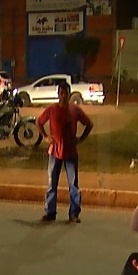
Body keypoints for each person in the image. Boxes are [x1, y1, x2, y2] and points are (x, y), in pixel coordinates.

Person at [35, 81, 94, 223]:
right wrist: (45, 136)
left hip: (70, 153)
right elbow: (39, 122)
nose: (63, 96)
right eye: (61, 93)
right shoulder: (52, 110)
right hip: (54, 152)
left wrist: (80, 139)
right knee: (52, 183)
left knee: (73, 184)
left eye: (66, 93)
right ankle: (50, 212)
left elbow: (89, 124)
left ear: (69, 94)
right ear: (58, 94)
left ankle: (74, 213)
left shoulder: (75, 110)